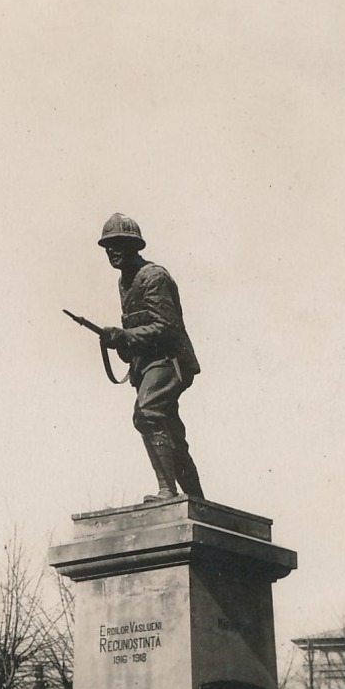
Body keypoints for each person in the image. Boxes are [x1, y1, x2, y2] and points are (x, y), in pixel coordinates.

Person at [98, 213, 205, 502]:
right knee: (171, 434)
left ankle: (167, 491)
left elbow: (167, 328)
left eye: (120, 243)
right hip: (148, 364)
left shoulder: (153, 277)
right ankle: (196, 501)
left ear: (136, 246)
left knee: (147, 413)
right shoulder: (125, 282)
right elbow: (138, 332)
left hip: (171, 361)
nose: (113, 251)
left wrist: (125, 336)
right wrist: (121, 344)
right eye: (108, 246)